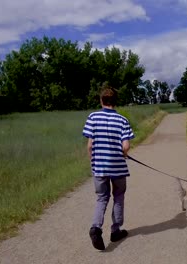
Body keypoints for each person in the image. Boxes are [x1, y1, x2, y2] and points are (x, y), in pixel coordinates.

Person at [82, 86, 134, 250]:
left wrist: (94, 163)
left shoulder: (92, 117)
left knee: (102, 198)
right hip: (118, 168)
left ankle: (96, 228)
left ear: (101, 100)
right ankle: (116, 230)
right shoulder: (122, 120)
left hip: (99, 168)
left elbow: (90, 146)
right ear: (115, 101)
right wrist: (124, 154)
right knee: (118, 195)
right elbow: (126, 146)